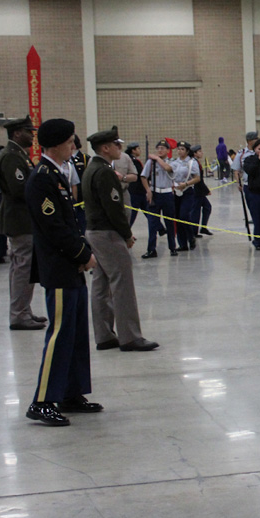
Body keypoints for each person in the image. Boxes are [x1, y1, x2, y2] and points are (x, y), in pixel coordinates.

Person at [24, 118, 100, 427]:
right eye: (70, 141)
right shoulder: (41, 178)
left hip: (70, 265)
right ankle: (42, 401)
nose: (74, 146)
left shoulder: (56, 174)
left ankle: (71, 392)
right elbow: (53, 228)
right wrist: (84, 254)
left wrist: (81, 254)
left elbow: (70, 222)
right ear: (55, 144)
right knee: (59, 334)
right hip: (58, 267)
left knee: (75, 332)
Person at [82, 126, 159, 353]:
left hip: (95, 231)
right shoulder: (105, 172)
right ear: (105, 148)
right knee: (122, 284)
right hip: (107, 232)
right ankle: (130, 337)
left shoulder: (92, 168)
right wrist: (126, 234)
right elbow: (114, 208)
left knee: (101, 283)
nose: (120, 148)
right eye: (116, 144)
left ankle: (104, 335)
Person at [0, 115, 47, 330]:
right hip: (20, 219)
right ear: (17, 133)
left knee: (23, 267)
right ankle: (19, 315)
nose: (32, 136)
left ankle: (23, 310)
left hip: (24, 219)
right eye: (29, 132)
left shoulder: (18, 155)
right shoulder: (11, 157)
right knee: (23, 267)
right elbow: (19, 189)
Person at [139, 139, 177, 258]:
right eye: (158, 148)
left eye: (162, 148)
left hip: (167, 195)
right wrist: (148, 190)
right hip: (155, 194)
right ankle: (151, 249)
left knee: (169, 222)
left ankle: (172, 247)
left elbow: (167, 168)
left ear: (168, 150)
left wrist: (157, 158)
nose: (160, 150)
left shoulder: (172, 162)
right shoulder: (151, 163)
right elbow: (143, 176)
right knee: (152, 223)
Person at [171, 141, 201, 251]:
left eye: (182, 149)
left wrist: (186, 184)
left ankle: (190, 236)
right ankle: (182, 243)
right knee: (178, 218)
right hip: (176, 191)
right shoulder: (174, 162)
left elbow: (197, 178)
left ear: (187, 151)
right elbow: (168, 171)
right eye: (178, 149)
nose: (180, 151)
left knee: (184, 215)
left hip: (187, 191)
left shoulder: (192, 162)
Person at [188, 143, 213, 237]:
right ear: (194, 153)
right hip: (196, 192)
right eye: (199, 151)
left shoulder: (197, 162)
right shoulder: (194, 163)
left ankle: (203, 227)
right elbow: (198, 180)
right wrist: (206, 190)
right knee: (195, 211)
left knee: (207, 207)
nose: (201, 153)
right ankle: (194, 231)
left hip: (200, 192)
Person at [124, 144, 145, 226]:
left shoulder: (132, 159)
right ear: (133, 150)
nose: (140, 150)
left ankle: (160, 228)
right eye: (138, 149)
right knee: (132, 213)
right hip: (136, 190)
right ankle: (127, 230)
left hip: (138, 190)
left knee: (148, 210)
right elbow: (140, 174)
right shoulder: (133, 161)